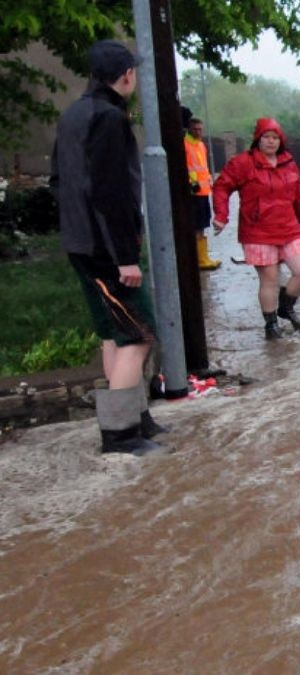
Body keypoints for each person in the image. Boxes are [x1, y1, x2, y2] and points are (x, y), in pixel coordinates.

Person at [50, 40, 169, 456]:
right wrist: (123, 256)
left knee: (113, 333)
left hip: (81, 241)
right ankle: (120, 436)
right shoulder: (109, 118)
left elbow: (59, 182)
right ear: (127, 75)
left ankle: (135, 416)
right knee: (137, 334)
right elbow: (111, 192)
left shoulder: (74, 115)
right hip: (105, 248)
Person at [212, 118, 300, 339]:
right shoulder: (242, 163)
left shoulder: (289, 163)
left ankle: (285, 309)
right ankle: (271, 326)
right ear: (257, 140)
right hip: (257, 231)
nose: (270, 142)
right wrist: (221, 216)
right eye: (266, 137)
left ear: (281, 141)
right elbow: (222, 187)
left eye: (275, 138)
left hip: (288, 228)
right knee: (269, 279)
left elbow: (299, 198)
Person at [184, 116, 220, 270]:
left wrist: (209, 180)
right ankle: (199, 259)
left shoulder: (201, 145)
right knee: (197, 225)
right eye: (195, 129)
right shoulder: (185, 145)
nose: (198, 132)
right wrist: (192, 184)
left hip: (204, 191)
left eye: (200, 129)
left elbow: (202, 167)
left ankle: (203, 257)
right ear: (189, 129)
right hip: (194, 192)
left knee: (203, 225)